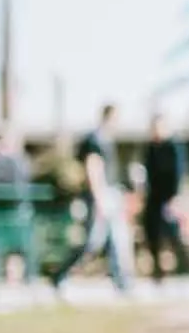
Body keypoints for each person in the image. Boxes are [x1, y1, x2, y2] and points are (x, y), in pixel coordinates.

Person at [49, 104, 131, 294]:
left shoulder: (107, 139)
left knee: (117, 240)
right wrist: (99, 198)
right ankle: (60, 275)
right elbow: (93, 168)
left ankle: (123, 283)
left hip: (111, 193)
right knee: (92, 242)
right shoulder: (95, 140)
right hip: (101, 196)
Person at [138, 115, 189, 284]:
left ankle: (184, 267)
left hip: (169, 196)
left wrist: (174, 197)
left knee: (173, 233)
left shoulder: (173, 146)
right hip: (153, 196)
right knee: (151, 232)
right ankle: (157, 270)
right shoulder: (151, 148)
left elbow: (177, 173)